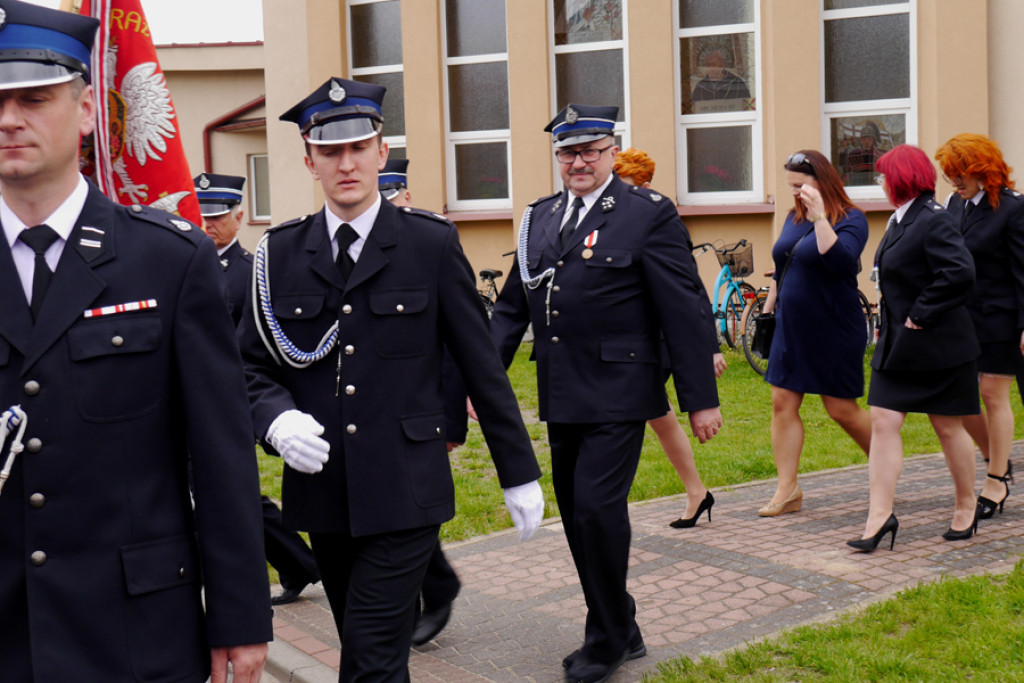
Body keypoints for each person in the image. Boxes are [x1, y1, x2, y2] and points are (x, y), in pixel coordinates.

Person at [237, 77, 544, 682]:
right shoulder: (279, 253)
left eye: (359, 148)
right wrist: (275, 419)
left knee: (370, 660)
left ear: (381, 152)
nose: (346, 164)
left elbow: (480, 365)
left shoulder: (429, 243)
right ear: (309, 161)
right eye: (330, 152)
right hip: (324, 490)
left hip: (406, 487)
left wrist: (518, 471)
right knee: (369, 652)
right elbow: (249, 365)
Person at [0, 2, 272, 681]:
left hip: (133, 629)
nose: (8, 119)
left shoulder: (168, 260)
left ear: (88, 110)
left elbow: (220, 454)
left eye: (33, 98)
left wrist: (239, 615)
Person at [489, 104, 722, 683]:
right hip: (562, 389)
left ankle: (608, 640)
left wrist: (699, 398)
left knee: (596, 509)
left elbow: (684, 307)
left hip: (621, 388)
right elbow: (512, 309)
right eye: (568, 152)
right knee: (576, 515)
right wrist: (480, 381)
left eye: (590, 151)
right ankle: (622, 622)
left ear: (612, 152)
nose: (579, 162)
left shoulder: (647, 213)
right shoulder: (541, 217)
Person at [194, 172, 322, 606]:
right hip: (191, 400)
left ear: (239, 216)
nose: (208, 224)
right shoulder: (187, 265)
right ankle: (298, 564)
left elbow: (253, 347)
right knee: (224, 493)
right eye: (202, 216)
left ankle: (296, 564)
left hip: (231, 402)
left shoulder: (250, 272)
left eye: (217, 216)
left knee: (230, 492)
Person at [849, 144, 981, 552]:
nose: (881, 182)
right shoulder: (901, 218)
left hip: (940, 346)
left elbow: (960, 272)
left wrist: (921, 313)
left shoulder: (933, 218)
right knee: (883, 420)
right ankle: (879, 515)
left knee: (947, 426)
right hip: (898, 346)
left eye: (884, 175)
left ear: (901, 178)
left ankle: (967, 504)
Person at [375, 157, 464, 645]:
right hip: (371, 408)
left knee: (411, 506)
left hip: (420, 410)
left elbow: (456, 347)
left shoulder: (432, 243)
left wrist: (452, 419)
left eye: (391, 194)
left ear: (406, 195)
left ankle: (435, 584)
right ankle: (414, 600)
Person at [613, 147, 724, 528]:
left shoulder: (658, 215)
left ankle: (691, 493)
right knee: (656, 416)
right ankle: (697, 493)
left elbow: (691, 286)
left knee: (639, 415)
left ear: (644, 185)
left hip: (659, 338)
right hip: (637, 338)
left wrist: (710, 348)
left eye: (628, 185)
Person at [758, 150, 872, 517]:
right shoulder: (792, 217)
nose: (795, 193)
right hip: (791, 326)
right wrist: (768, 310)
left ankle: (885, 463)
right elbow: (782, 266)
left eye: (801, 185)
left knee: (840, 409)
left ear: (822, 182)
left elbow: (838, 261)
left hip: (833, 327)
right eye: (790, 185)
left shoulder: (852, 219)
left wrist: (821, 216)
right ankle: (787, 488)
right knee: (782, 402)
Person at [935, 133, 1024, 520]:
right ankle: (996, 459)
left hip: (1001, 317)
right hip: (962, 319)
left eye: (961, 173)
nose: (955, 181)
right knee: (960, 395)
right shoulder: (955, 204)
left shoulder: (1013, 208)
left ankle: (996, 478)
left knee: (992, 394)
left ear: (983, 170)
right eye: (950, 174)